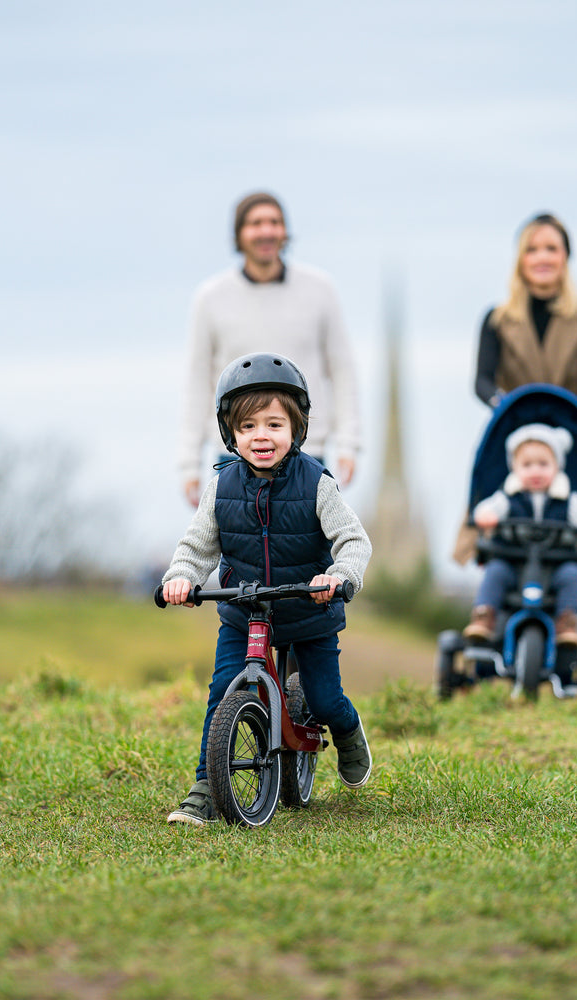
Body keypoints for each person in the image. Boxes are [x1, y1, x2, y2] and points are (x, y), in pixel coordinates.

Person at [161, 353, 373, 826]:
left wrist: (338, 576)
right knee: (222, 692)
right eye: (249, 426)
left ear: (296, 430)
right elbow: (197, 545)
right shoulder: (221, 487)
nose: (261, 436)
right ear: (230, 435)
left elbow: (353, 540)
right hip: (245, 611)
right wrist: (182, 576)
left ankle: (347, 729)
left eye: (274, 424)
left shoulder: (317, 483)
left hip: (309, 610)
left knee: (322, 698)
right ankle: (204, 790)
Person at [178, 191, 361, 507]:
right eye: (256, 223)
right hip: (235, 450)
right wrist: (188, 462)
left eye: (275, 223)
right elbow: (197, 381)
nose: (266, 231)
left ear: (285, 232)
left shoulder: (320, 290)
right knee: (236, 548)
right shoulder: (210, 297)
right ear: (239, 234)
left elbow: (342, 371)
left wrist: (350, 443)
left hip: (307, 450)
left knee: (307, 549)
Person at [461, 423, 577, 647]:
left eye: (543, 464)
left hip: (554, 565)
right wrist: (485, 516)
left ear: (557, 466)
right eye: (527, 465)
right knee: (495, 572)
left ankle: (567, 622)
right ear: (514, 467)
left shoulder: (568, 498)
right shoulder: (507, 496)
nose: (535, 471)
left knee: (572, 575)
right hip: (513, 562)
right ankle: (485, 616)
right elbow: (487, 509)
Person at [472, 213, 577, 412]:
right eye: (532, 250)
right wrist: (507, 408)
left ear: (565, 255)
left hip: (570, 429)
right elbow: (482, 382)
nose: (542, 258)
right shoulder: (497, 320)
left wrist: (570, 417)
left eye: (551, 249)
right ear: (521, 259)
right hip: (514, 429)